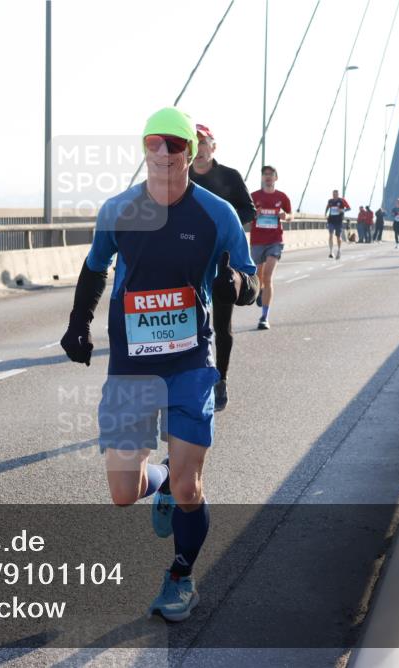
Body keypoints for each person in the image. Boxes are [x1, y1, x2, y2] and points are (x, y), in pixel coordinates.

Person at [60, 107, 259, 622]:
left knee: (191, 488)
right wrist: (78, 323)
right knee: (123, 493)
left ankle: (180, 576)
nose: (165, 152)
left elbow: (249, 276)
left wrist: (237, 286)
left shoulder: (218, 213)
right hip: (131, 365)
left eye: (176, 145)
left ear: (191, 154)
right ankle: (162, 477)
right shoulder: (118, 211)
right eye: (156, 143)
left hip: (191, 362)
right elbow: (94, 268)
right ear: (144, 148)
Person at [189, 123, 255, 411]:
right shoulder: (181, 175)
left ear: (213, 147)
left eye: (204, 143)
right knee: (188, 325)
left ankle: (221, 379)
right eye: (194, 143)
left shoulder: (229, 177)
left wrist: (224, 224)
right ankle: (190, 382)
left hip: (223, 263)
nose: (199, 149)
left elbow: (249, 210)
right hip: (189, 262)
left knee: (221, 326)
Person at [249, 165, 291, 331]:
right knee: (259, 277)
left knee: (268, 276)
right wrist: (255, 214)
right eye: (265, 174)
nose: (267, 177)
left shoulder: (282, 197)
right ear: (262, 178)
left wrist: (285, 216)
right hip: (258, 241)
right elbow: (246, 214)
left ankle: (264, 317)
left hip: (275, 240)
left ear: (276, 177)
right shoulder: (253, 196)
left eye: (270, 174)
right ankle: (260, 291)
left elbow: (290, 215)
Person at [325, 190, 350, 259]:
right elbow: (327, 207)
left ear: (338, 194)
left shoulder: (342, 200)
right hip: (331, 220)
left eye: (336, 194)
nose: (334, 195)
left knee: (338, 237)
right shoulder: (330, 201)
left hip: (338, 221)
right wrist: (325, 214)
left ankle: (339, 250)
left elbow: (349, 208)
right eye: (333, 194)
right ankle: (331, 252)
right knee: (330, 235)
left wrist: (342, 210)